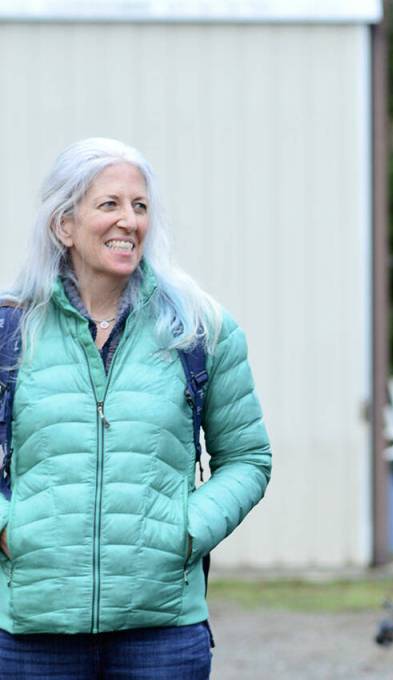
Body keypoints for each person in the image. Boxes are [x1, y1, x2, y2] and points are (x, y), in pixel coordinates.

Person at [0, 138, 271, 678]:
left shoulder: (200, 330)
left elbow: (248, 459)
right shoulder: (11, 329)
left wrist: (185, 533)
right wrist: (11, 529)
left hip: (162, 634)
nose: (129, 221)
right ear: (64, 226)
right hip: (33, 633)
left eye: (140, 206)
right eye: (109, 204)